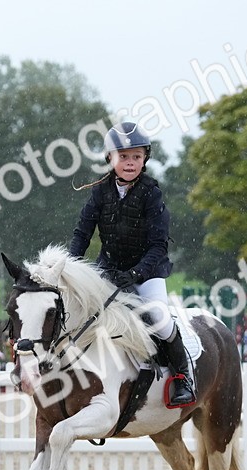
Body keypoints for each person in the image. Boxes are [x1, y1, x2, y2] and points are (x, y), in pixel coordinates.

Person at [67, 121, 195, 408]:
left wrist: (136, 273)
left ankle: (182, 377)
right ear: (110, 158)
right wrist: (70, 268)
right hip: (109, 269)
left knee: (160, 320)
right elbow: (82, 234)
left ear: (144, 159)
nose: (130, 162)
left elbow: (158, 245)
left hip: (147, 271)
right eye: (123, 156)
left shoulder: (152, 193)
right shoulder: (100, 191)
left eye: (136, 157)